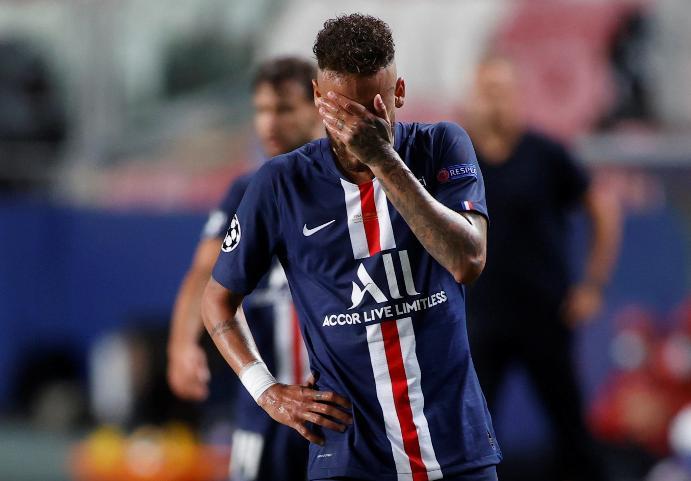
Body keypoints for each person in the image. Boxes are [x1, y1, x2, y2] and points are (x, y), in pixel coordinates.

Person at [202, 14, 502, 481]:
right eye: (343, 111)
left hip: (456, 447)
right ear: (318, 98)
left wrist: (383, 159)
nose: (358, 126)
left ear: (399, 92)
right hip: (348, 456)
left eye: (372, 109)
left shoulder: (442, 146)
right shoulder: (280, 183)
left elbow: (468, 260)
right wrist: (267, 391)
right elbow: (217, 300)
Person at [463, 55, 621, 481]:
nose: (494, 102)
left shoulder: (545, 154)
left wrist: (592, 284)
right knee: (473, 434)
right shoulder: (458, 161)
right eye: (486, 92)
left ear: (517, 96)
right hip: (481, 318)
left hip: (546, 314)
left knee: (570, 429)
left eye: (502, 91)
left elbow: (603, 209)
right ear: (472, 98)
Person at [167, 56, 323, 481]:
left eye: (284, 109)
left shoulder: (349, 186)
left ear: (318, 106)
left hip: (339, 405)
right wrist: (182, 344)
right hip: (265, 402)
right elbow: (204, 272)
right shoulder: (245, 189)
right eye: (261, 110)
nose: (268, 123)